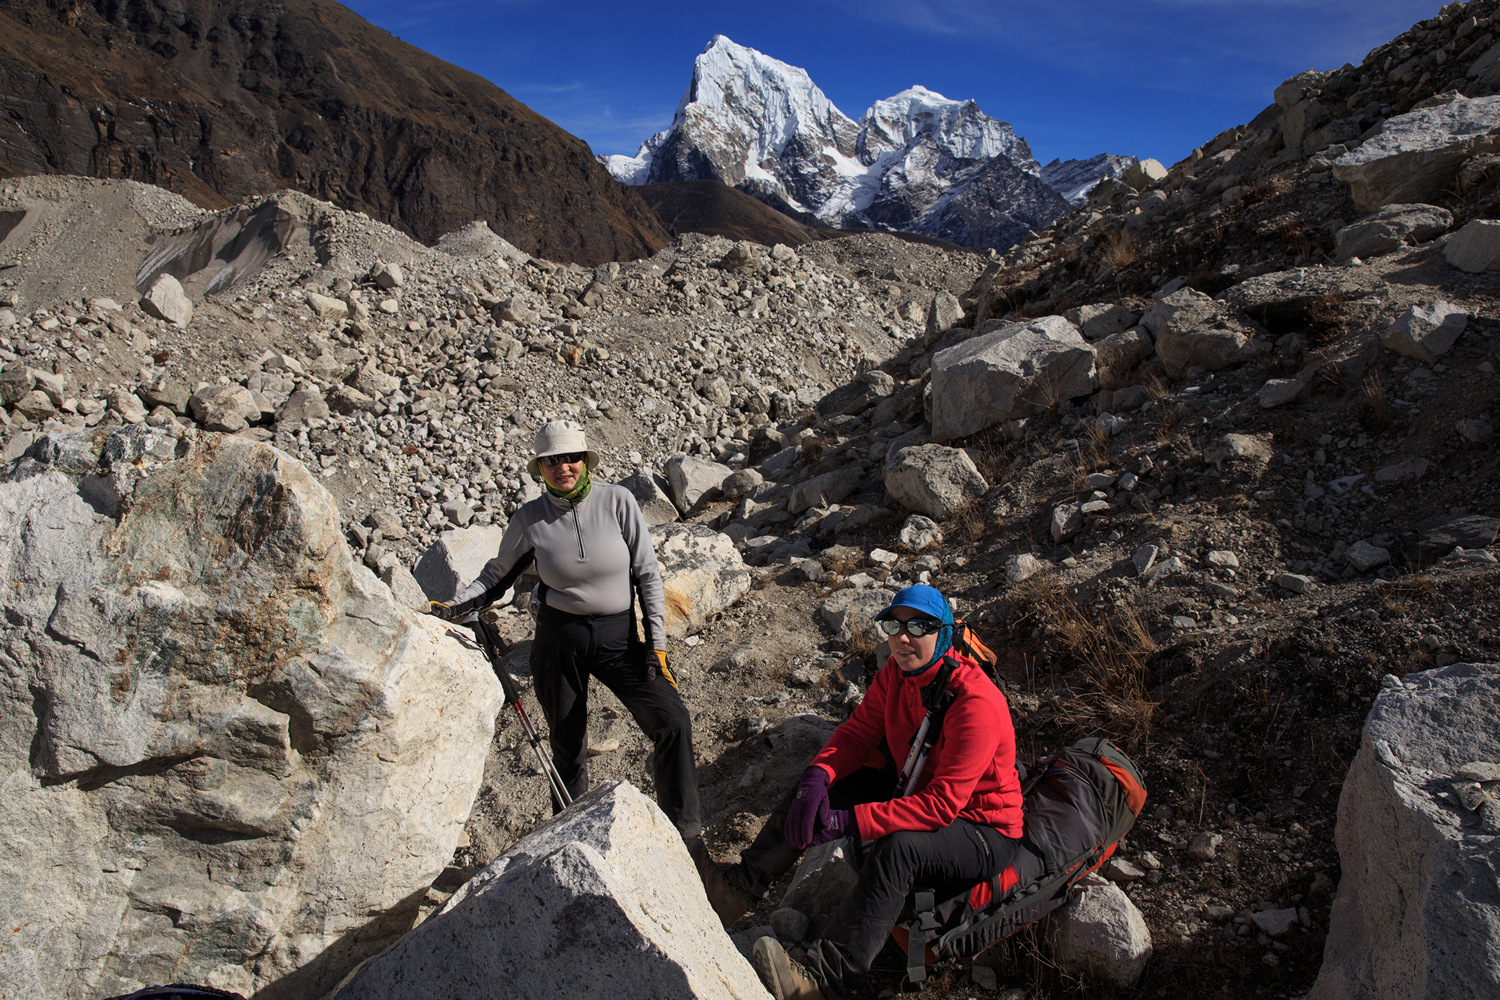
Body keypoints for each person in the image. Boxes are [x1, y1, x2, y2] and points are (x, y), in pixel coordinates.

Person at [739, 585, 1024, 1000]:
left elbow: (943, 805)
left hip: (984, 828)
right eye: (895, 625)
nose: (904, 636)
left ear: (944, 633)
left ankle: (823, 980)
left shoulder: (975, 701)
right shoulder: (896, 673)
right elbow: (858, 733)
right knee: (824, 787)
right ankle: (738, 889)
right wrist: (817, 776)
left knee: (901, 848)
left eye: (920, 626)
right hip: (916, 786)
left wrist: (849, 822)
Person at [429, 420, 703, 847]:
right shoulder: (529, 519)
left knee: (673, 723)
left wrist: (657, 646)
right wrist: (455, 605)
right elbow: (496, 577)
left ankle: (686, 839)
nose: (564, 467)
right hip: (559, 641)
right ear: (541, 468)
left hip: (620, 641)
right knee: (568, 747)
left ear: (585, 460)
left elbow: (647, 574)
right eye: (552, 460)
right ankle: (566, 842)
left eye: (571, 457)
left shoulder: (618, 501)